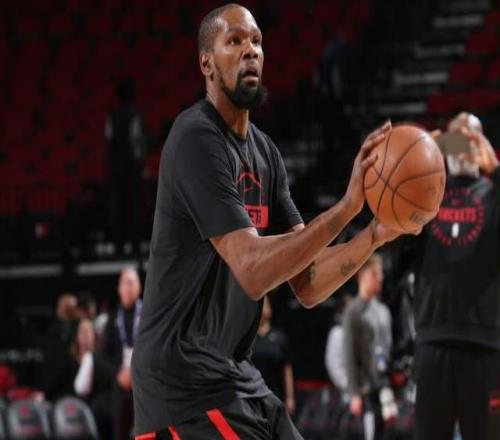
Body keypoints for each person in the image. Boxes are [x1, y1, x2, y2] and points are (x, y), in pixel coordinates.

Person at [131, 4, 410, 439]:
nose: (251, 51)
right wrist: (346, 208)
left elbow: (308, 282)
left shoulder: (266, 154)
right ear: (206, 64)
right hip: (182, 387)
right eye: (234, 41)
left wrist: (374, 234)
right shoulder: (195, 138)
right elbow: (253, 270)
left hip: (234, 376)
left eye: (257, 41)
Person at [412, 112, 500, 440]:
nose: (461, 145)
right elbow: (392, 231)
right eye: (455, 138)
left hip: (483, 344)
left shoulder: (494, 195)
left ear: (483, 143)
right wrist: (420, 158)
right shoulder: (426, 194)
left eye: (470, 136)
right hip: (432, 340)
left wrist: (495, 168)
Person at [342, 253, 393, 440]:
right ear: (362, 276)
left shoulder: (383, 310)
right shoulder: (353, 311)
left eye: (381, 273)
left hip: (384, 386)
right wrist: (354, 392)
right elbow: (349, 353)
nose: (380, 278)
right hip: (365, 389)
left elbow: (388, 348)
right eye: (375, 273)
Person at [105, 77, 147, 252]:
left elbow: (109, 140)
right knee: (132, 206)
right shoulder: (135, 116)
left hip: (117, 168)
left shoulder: (112, 117)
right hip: (131, 168)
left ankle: (119, 245)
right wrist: (140, 165)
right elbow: (137, 143)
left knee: (120, 207)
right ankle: (133, 245)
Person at [101, 267, 142, 440]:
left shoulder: (148, 314)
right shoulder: (112, 318)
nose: (128, 287)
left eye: (132, 283)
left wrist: (138, 373)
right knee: (120, 432)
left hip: (143, 382)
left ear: (139, 287)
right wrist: (118, 373)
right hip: (120, 383)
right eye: (125, 283)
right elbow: (103, 355)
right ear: (119, 288)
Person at [252, 296, 295, 415]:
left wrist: (290, 397)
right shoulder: (248, 337)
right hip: (252, 394)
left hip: (274, 393)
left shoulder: (279, 336)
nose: (262, 309)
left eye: (265, 305)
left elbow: (287, 367)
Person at [72, 318, 113, 439]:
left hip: (95, 414)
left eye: (88, 331)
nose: (85, 335)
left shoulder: (96, 358)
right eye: (82, 331)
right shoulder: (70, 360)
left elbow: (81, 388)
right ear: (77, 335)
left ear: (95, 335)